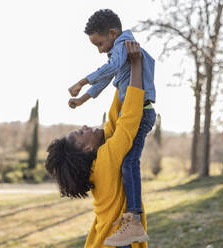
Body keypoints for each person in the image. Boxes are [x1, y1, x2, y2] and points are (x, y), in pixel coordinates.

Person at [45, 41, 148, 248]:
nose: (85, 126)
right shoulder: (106, 160)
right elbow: (128, 120)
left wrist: (121, 79)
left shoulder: (99, 163)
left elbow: (113, 122)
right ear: (87, 149)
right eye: (81, 133)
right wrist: (136, 65)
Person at [67, 9, 156, 246]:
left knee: (129, 162)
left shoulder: (124, 46)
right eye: (80, 133)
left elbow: (110, 73)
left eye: (99, 43)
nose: (99, 49)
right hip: (139, 111)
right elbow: (109, 79)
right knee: (129, 162)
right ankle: (133, 220)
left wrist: (82, 87)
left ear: (113, 34)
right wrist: (83, 93)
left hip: (142, 111)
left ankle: (133, 219)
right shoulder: (105, 158)